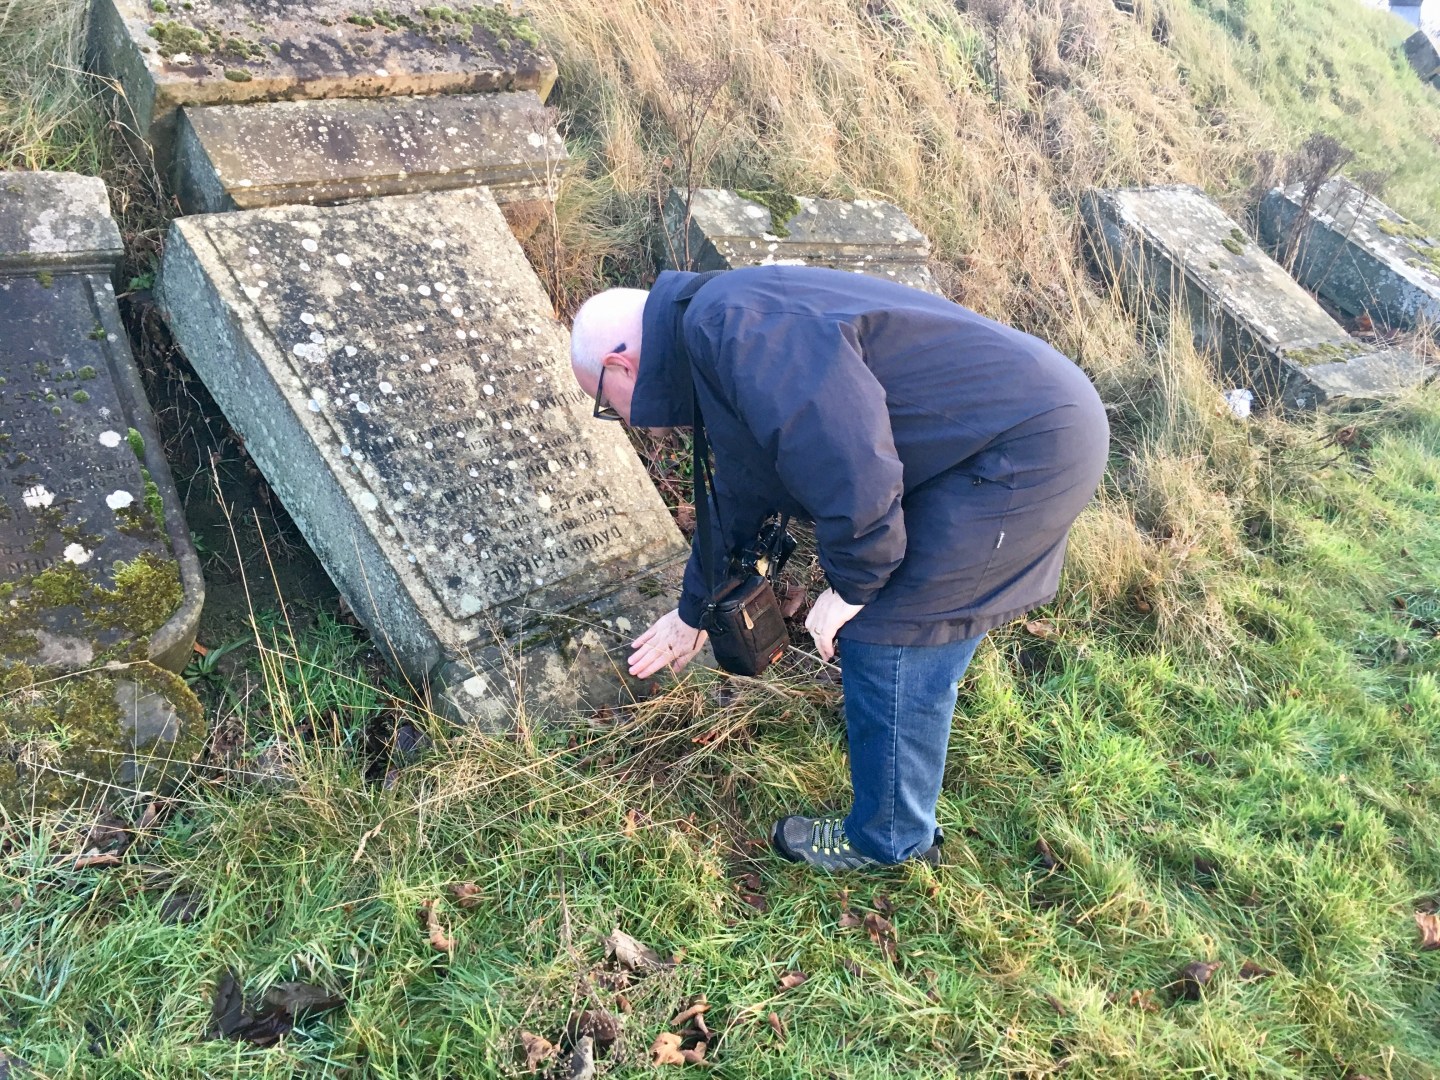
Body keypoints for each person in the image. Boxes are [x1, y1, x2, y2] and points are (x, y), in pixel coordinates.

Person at [569, 265, 1108, 872]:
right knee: (905, 627)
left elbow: (849, 457)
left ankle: (889, 840)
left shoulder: (735, 330)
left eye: (606, 406)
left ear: (619, 367)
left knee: (890, 630)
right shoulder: (716, 328)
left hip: (1023, 448)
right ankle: (903, 752)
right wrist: (694, 610)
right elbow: (742, 491)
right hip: (1002, 432)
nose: (623, 418)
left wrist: (854, 584)